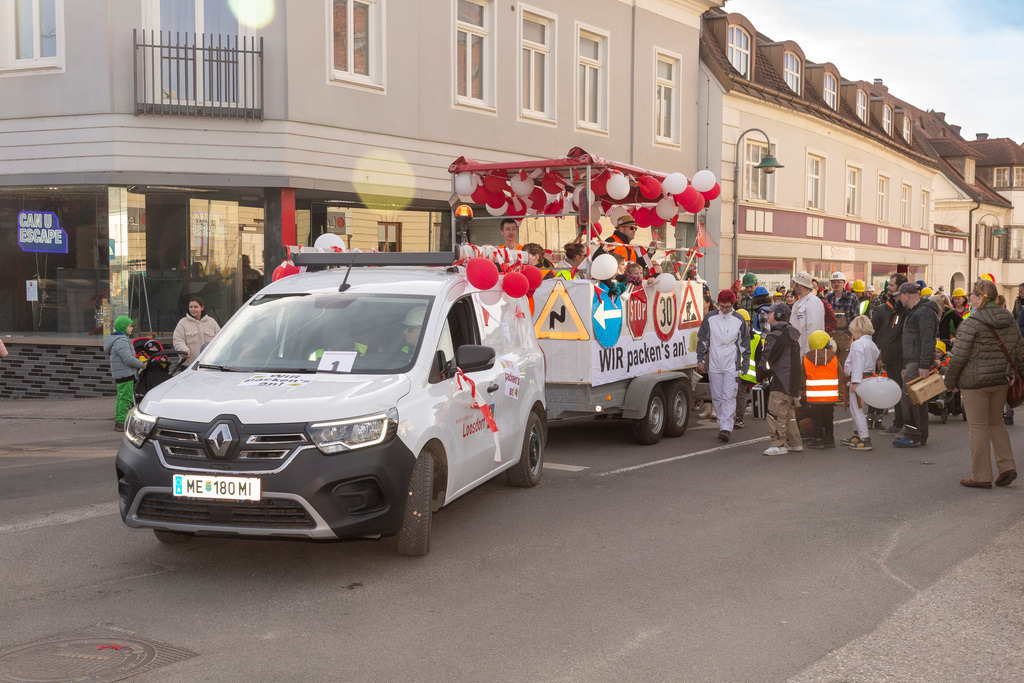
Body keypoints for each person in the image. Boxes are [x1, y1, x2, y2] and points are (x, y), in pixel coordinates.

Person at [944, 278, 1024, 489]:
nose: (969, 296)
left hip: (975, 382)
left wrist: (950, 381)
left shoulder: (971, 322)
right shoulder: (1008, 317)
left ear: (980, 298)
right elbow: (1019, 350)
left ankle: (981, 476)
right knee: (995, 423)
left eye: (972, 294)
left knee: (978, 427)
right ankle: (1007, 467)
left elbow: (959, 357)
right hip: (1001, 379)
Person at [696, 290, 750, 442]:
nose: (724, 309)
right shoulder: (710, 318)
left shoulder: (738, 319)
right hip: (713, 364)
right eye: (721, 306)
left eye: (727, 307)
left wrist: (744, 364)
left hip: (731, 365)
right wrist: (700, 359)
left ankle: (726, 427)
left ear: (732, 305)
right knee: (717, 397)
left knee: (728, 396)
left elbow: (744, 344)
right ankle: (722, 424)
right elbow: (702, 339)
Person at [892, 282, 940, 448]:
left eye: (900, 295)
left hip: (918, 362)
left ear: (907, 295)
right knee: (918, 399)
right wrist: (906, 364)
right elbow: (912, 339)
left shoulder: (924, 311)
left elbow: (927, 339)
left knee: (910, 399)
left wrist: (924, 364)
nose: (898, 298)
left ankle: (913, 435)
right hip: (913, 361)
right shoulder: (915, 311)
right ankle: (919, 435)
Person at [758, 302, 804, 456]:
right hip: (791, 380)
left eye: (770, 312)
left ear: (778, 314)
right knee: (788, 413)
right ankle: (795, 442)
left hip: (780, 379)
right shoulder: (791, 333)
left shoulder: (775, 335)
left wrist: (760, 374)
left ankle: (779, 443)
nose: (767, 315)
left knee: (775, 412)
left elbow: (766, 359)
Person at [872, 273, 908, 433]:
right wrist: (878, 349)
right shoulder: (884, 309)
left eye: (892, 285)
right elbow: (873, 329)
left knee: (903, 391)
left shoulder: (907, 309)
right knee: (895, 391)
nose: (888, 288)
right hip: (889, 356)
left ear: (900, 288)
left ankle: (905, 423)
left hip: (903, 356)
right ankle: (898, 422)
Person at [841, 315, 880, 451]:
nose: (852, 333)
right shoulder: (872, 345)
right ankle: (857, 435)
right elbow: (873, 365)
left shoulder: (857, 344)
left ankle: (864, 438)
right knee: (858, 409)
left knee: (856, 410)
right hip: (868, 379)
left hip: (859, 380)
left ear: (858, 330)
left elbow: (857, 364)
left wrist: (855, 382)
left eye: (853, 330)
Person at [803, 330, 845, 449]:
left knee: (816, 418)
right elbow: (842, 374)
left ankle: (818, 440)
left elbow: (801, 378)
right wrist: (834, 386)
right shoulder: (833, 357)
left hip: (814, 397)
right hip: (830, 396)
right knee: (828, 416)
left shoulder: (807, 359)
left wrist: (802, 389)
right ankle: (830, 439)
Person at [104, 316, 146, 431]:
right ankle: (121, 423)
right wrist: (141, 364)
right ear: (123, 327)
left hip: (120, 373)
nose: (131, 328)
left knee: (121, 397)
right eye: (129, 326)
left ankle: (119, 420)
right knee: (126, 399)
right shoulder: (121, 341)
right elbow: (128, 359)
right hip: (125, 374)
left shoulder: (117, 339)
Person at [172, 296, 221, 362]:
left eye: (196, 307)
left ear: (202, 308)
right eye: (191, 307)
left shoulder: (211, 322)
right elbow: (178, 340)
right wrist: (184, 350)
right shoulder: (182, 323)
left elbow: (220, 339)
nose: (193, 309)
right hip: (188, 366)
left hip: (209, 364)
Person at [826, 271, 859, 366]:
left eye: (839, 282)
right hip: (831, 336)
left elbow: (856, 318)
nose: (836, 284)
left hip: (846, 336)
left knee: (845, 364)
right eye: (833, 282)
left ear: (844, 283)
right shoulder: (827, 298)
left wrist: (849, 333)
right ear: (831, 284)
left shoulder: (852, 297)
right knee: (831, 363)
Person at [790, 271, 825, 355]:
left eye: (794, 283)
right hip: (797, 349)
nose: (792, 286)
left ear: (800, 285)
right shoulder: (798, 303)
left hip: (807, 351)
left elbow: (814, 329)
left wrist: (809, 352)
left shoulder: (813, 302)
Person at [735, 308, 757, 429]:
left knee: (740, 395)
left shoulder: (754, 337)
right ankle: (736, 418)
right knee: (737, 395)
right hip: (734, 369)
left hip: (743, 371)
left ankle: (739, 418)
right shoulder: (754, 337)